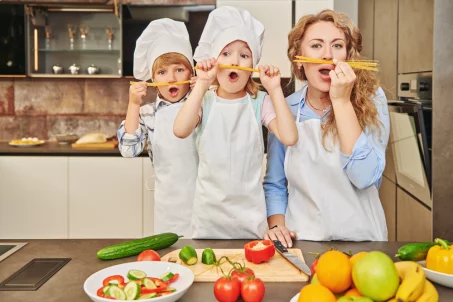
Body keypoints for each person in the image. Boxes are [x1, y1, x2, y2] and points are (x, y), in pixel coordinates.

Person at [264, 9, 390, 246]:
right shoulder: (286, 108)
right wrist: (278, 227)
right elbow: (275, 183)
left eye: (337, 45)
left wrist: (341, 101)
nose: (327, 56)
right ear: (299, 60)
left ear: (348, 56)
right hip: (303, 240)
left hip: (363, 241)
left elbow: (364, 177)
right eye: (316, 45)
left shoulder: (373, 101)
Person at [173, 6, 298, 239]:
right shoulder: (204, 100)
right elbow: (180, 130)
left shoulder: (260, 102)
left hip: (251, 221)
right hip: (208, 220)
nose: (235, 60)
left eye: (244, 55)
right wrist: (201, 84)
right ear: (214, 61)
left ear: (252, 66)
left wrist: (275, 89)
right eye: (226, 53)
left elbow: (290, 137)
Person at [117, 18, 198, 238]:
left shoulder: (203, 106)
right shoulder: (148, 114)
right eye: (162, 72)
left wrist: (203, 91)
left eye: (179, 70)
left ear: (191, 74)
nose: (171, 78)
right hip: (169, 207)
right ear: (152, 79)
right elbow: (128, 149)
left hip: (206, 204)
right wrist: (134, 104)